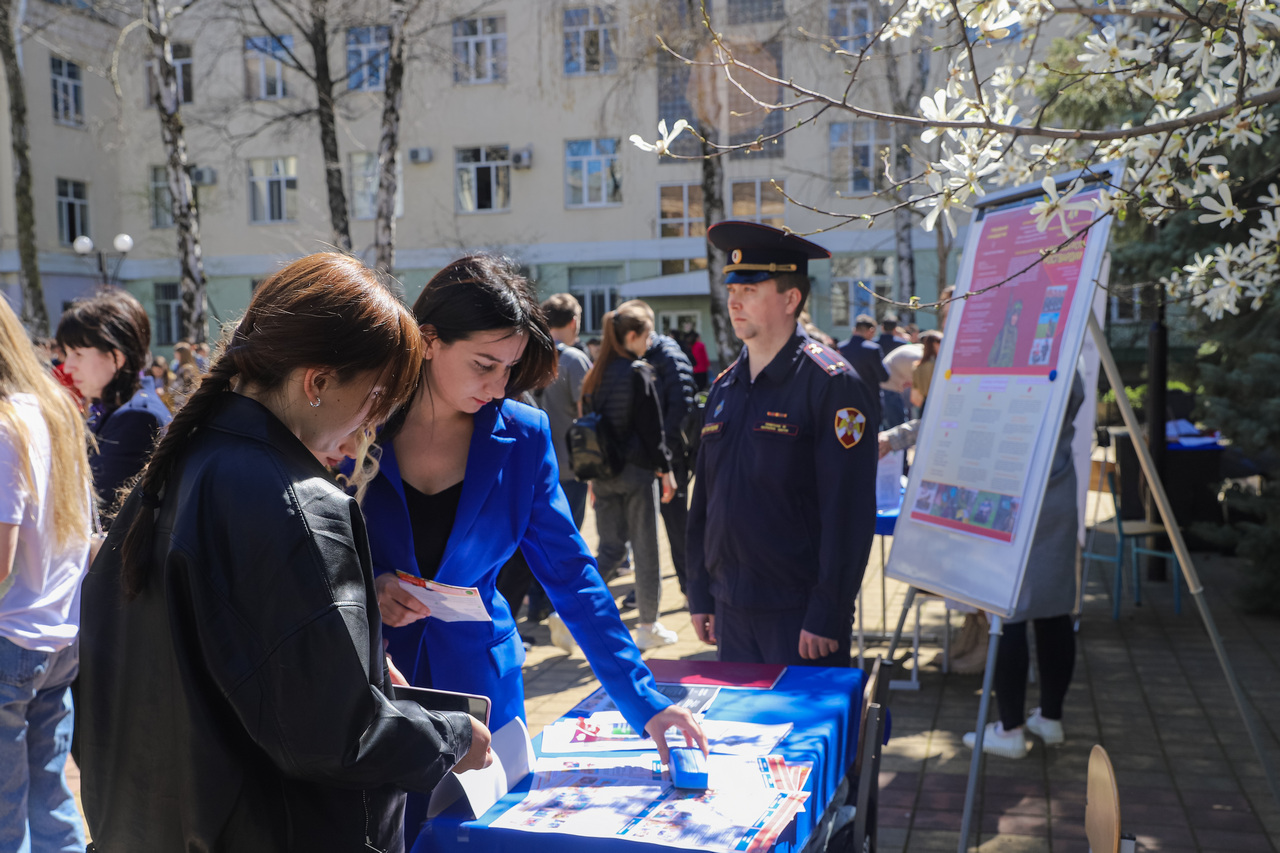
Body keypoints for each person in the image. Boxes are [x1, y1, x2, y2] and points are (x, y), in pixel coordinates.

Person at [76, 253, 490, 852]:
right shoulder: (297, 501)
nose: (372, 427)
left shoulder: (179, 469)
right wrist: (449, 737)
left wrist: (355, 670)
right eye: (376, 398)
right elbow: (332, 735)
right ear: (317, 382)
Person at [354, 257, 705, 841]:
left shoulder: (521, 434)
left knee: (482, 838)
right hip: (372, 685)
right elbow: (311, 551)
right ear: (429, 340)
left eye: (511, 368)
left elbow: (573, 577)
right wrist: (372, 589)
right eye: (484, 365)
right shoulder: (363, 420)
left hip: (483, 694)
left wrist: (645, 702)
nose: (498, 386)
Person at [687, 221, 878, 667]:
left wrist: (829, 608)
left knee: (802, 737)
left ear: (791, 299)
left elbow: (847, 512)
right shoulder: (725, 387)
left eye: (751, 289)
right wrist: (699, 591)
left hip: (799, 617)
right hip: (730, 609)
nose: (734, 300)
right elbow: (705, 501)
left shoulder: (831, 385)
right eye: (731, 287)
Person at [0, 297, 95, 853]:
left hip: (13, 639)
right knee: (52, 805)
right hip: (56, 638)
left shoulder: (8, 422)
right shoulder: (53, 410)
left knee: (9, 821)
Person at [964, 372, 1085, 758]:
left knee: (1008, 612)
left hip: (1011, 490)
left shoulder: (1008, 364)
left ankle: (1010, 728)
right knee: (1054, 609)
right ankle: (1050, 719)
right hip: (1058, 490)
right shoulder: (1065, 359)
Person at [581, 301, 680, 649]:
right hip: (637, 473)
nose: (650, 341)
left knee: (609, 549)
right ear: (633, 335)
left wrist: (593, 480)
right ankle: (648, 626)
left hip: (603, 473)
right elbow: (654, 430)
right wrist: (666, 469)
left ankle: (565, 611)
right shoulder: (639, 372)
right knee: (646, 548)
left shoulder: (595, 374)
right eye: (648, 334)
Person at [56, 291, 172, 520]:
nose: (68, 367)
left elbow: (93, 510)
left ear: (116, 358)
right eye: (67, 354)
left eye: (78, 354)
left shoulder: (136, 417)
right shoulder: (124, 407)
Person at [626, 300, 696, 598]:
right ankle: (647, 592)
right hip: (649, 457)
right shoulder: (643, 356)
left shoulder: (667, 356)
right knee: (645, 531)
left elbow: (682, 404)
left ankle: (694, 590)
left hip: (669, 457)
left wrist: (663, 450)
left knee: (678, 530)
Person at [535, 292, 593, 528]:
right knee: (568, 534)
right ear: (574, 322)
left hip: (535, 465)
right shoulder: (575, 360)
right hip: (570, 468)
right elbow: (587, 416)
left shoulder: (529, 356)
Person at [837, 313, 889, 426]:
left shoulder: (840, 347)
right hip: (869, 400)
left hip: (846, 400)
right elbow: (884, 376)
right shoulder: (873, 349)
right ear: (870, 330)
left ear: (854, 329)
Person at [910, 330, 943, 412]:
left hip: (925, 405)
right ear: (934, 344)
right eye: (940, 341)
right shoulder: (938, 365)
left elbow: (914, 396)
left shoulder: (918, 366)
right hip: (939, 404)